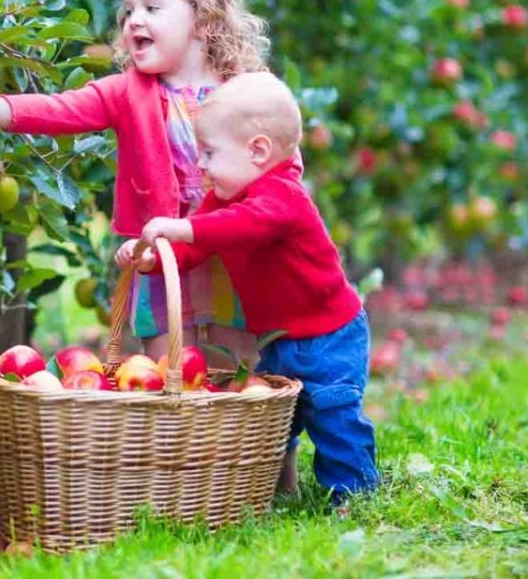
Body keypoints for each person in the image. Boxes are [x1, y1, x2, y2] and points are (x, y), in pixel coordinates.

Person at [0, 0, 278, 362]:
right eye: (128, 11)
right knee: (169, 373)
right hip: (163, 256)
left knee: (236, 368)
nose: (134, 19)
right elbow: (59, 109)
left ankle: (239, 429)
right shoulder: (129, 92)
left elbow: (284, 158)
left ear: (203, 18)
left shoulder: (248, 89)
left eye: (152, 7)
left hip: (233, 250)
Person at [115, 72, 378, 499]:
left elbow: (242, 226)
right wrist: (152, 261)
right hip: (278, 340)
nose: (199, 164)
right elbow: (200, 244)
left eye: (210, 153)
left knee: (333, 414)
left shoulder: (282, 197)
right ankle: (270, 488)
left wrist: (180, 228)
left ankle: (352, 495)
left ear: (257, 151)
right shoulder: (223, 196)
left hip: (330, 337)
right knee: (275, 417)